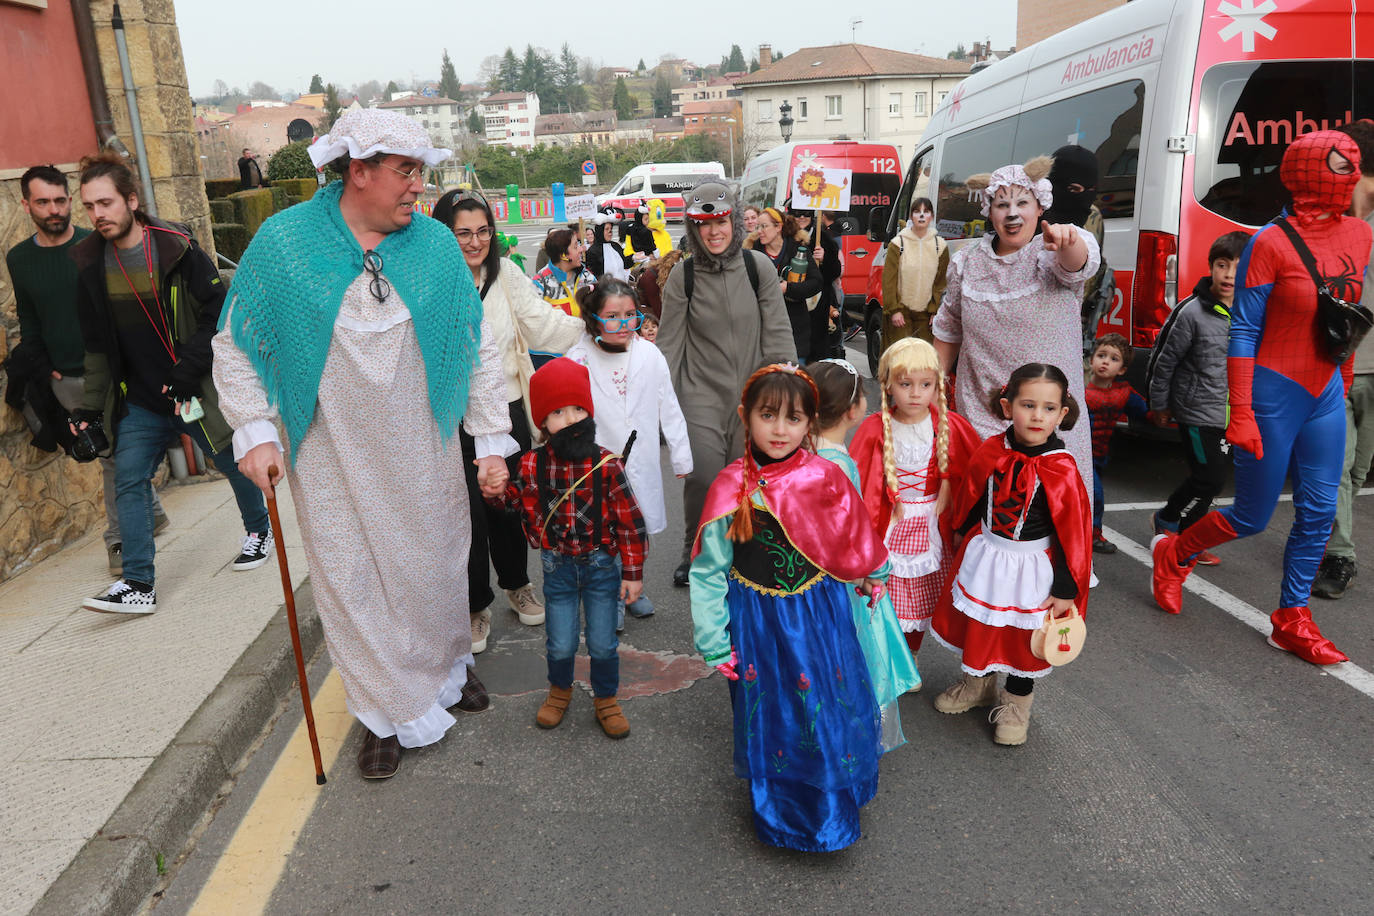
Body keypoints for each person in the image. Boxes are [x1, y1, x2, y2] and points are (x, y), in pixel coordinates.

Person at [213, 109, 513, 778]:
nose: (417, 187)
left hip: (424, 446)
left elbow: (474, 345)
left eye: (420, 173)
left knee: (435, 570)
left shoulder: (434, 244)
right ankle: (382, 713)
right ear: (358, 170)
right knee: (352, 582)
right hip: (332, 453)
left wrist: (490, 438)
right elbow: (237, 343)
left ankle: (446, 670)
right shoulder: (285, 245)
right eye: (406, 172)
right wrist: (255, 430)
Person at [1149, 131, 1372, 666]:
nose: (1349, 172)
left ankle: (1292, 617)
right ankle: (1175, 552)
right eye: (1337, 164)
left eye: (1354, 164)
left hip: (1323, 393)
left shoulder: (1360, 235)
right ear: (1303, 171)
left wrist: (1341, 380)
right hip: (1272, 393)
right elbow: (1244, 331)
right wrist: (1242, 412)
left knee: (1318, 513)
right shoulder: (1268, 243)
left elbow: (1345, 319)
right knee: (1251, 517)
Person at [689, 364, 887, 852]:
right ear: (746, 416)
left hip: (820, 615)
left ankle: (832, 806)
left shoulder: (824, 475)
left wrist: (871, 571)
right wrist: (714, 641)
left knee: (825, 705)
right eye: (768, 415)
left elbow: (850, 532)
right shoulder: (731, 488)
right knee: (774, 714)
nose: (780, 430)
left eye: (794, 419)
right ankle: (783, 815)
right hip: (759, 623)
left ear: (811, 423)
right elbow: (708, 571)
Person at [70, 153, 269, 616]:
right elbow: (96, 348)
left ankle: (259, 529)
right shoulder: (88, 266)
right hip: (139, 399)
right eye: (90, 206)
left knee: (230, 459)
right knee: (129, 478)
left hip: (191, 387)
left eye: (106, 203)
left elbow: (217, 314)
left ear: (131, 201)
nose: (98, 214)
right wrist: (87, 408)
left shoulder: (177, 249)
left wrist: (185, 370)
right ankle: (139, 583)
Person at [433, 187, 584, 652]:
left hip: (509, 408)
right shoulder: (427, 281)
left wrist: (593, 328)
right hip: (451, 417)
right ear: (444, 234)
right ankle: (475, 606)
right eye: (462, 233)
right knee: (468, 515)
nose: (475, 242)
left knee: (509, 507)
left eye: (483, 231)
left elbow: (541, 323)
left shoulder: (507, 275)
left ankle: (517, 584)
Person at [6, 164, 167, 574]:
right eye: (43, 202)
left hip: (114, 373)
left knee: (115, 457)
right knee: (110, 454)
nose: (55, 209)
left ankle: (119, 540)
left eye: (61, 200)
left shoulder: (95, 244)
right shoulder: (19, 259)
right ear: (26, 205)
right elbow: (29, 316)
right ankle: (152, 512)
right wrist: (45, 367)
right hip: (67, 379)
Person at [930, 363, 1091, 746]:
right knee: (981, 624)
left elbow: (1075, 535)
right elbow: (972, 494)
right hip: (988, 555)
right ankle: (978, 686)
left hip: (1034, 569)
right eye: (1028, 404)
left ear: (1062, 413)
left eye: (1049, 408)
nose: (1038, 416)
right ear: (1007, 407)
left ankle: (1017, 706)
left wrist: (1067, 588)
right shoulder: (992, 450)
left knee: (1025, 639)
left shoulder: (1062, 470)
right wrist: (958, 530)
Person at [494, 358, 647, 739]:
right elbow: (515, 503)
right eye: (558, 412)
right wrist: (497, 492)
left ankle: (606, 698)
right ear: (542, 423)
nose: (571, 419)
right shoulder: (531, 464)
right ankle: (559, 690)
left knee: (602, 641)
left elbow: (631, 523)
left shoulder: (607, 464)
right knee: (560, 641)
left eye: (579, 409)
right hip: (557, 568)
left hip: (601, 567)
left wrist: (632, 573)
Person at [931, 156, 1101, 492]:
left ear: (1040, 208)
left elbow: (1078, 262)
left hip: (1046, 420)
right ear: (989, 211)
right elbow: (949, 327)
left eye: (1023, 202)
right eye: (1001, 204)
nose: (1012, 213)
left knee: (1049, 517)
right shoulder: (966, 261)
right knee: (984, 515)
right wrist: (932, 393)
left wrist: (1068, 241)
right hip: (980, 415)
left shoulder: (1052, 249)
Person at [659, 180, 795, 587]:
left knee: (747, 477)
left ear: (735, 222)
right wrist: (657, 407)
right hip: (699, 394)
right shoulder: (683, 276)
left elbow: (777, 330)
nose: (714, 231)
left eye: (721, 221)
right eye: (704, 224)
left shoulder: (759, 267)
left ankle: (742, 549)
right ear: (693, 229)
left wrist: (785, 388)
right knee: (703, 476)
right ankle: (693, 548)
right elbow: (668, 345)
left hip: (753, 396)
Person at [810, 357, 921, 749]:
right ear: (854, 409)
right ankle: (849, 734)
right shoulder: (839, 461)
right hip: (844, 578)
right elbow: (851, 531)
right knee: (853, 654)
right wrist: (878, 568)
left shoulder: (804, 454)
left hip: (810, 576)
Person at [566, 279, 692, 623]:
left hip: (641, 459)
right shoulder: (578, 360)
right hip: (597, 464)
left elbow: (669, 404)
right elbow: (565, 415)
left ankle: (634, 583)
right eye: (612, 316)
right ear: (593, 319)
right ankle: (612, 597)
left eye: (630, 315)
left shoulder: (649, 354)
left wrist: (681, 453)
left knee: (637, 528)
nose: (624, 324)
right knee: (605, 534)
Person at [849, 336, 979, 661]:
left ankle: (911, 656)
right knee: (885, 595)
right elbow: (856, 483)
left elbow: (975, 479)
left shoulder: (950, 427)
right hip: (890, 528)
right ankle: (882, 655)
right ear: (889, 385)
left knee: (920, 596)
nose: (916, 393)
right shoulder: (875, 428)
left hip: (933, 527)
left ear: (938, 386)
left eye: (926, 384)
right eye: (906, 383)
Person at [1146, 231, 1249, 565]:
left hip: (1232, 414)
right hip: (1196, 412)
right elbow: (1163, 361)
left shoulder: (1252, 311)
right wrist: (1158, 404)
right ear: (1211, 267)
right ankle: (1170, 521)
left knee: (1211, 482)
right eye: (1222, 265)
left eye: (1238, 266)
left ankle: (1187, 537)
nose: (1229, 274)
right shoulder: (1191, 312)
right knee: (1210, 478)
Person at [1314, 119, 1374, 600]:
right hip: (1340, 366)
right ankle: (1340, 554)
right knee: (1339, 466)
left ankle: (1328, 539)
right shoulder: (1328, 227)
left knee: (1357, 471)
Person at [1041, 144, 1113, 354]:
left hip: (1074, 333)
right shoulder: (1030, 216)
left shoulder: (1092, 216)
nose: (1083, 198)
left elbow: (1094, 265)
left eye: (1090, 191)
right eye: (1074, 190)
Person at [1083, 332, 1147, 554]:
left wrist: (1163, 414)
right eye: (1101, 355)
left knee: (1090, 496)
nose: (1105, 362)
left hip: (1098, 455)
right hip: (1075, 454)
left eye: (1113, 358)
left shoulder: (1123, 393)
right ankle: (1093, 535)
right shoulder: (1078, 388)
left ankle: (1088, 532)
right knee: (1095, 495)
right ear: (1092, 359)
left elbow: (1144, 411)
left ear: (1121, 369)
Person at [744, 206, 821, 361]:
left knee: (793, 379)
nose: (759, 231)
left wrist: (788, 288)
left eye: (764, 226)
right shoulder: (751, 253)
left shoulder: (798, 250)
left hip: (794, 330)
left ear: (778, 227)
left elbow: (816, 282)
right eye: (758, 227)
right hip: (761, 330)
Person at [880, 197, 948, 352]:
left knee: (924, 358)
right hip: (901, 312)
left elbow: (941, 282)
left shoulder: (940, 246)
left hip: (926, 315)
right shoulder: (898, 244)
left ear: (932, 216)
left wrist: (935, 310)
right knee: (901, 358)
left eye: (926, 211)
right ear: (911, 216)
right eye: (917, 212)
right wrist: (894, 310)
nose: (922, 216)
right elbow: (889, 280)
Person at [797, 207, 843, 362]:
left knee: (817, 346)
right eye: (797, 213)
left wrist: (824, 259)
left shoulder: (823, 238)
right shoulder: (786, 237)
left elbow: (835, 271)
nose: (802, 217)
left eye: (806, 213)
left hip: (818, 302)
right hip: (794, 301)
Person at [584, 213, 631, 282]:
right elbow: (593, 274)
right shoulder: (593, 251)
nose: (610, 232)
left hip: (621, 286)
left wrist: (634, 258)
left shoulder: (616, 246)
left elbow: (625, 264)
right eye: (607, 229)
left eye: (611, 228)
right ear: (600, 231)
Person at [622, 198, 672, 263]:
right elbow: (628, 251)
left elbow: (670, 254)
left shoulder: (665, 234)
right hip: (641, 267)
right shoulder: (634, 231)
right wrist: (639, 257)